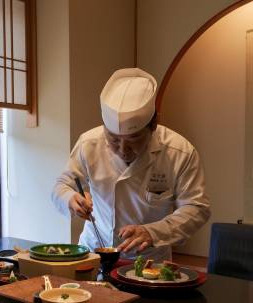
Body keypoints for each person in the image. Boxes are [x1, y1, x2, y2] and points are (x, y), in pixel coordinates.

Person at [51, 68, 210, 261]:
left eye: (134, 138)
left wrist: (154, 232)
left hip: (149, 260)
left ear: (153, 126)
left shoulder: (179, 152)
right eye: (114, 139)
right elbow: (61, 185)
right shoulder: (89, 144)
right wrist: (70, 198)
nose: (123, 149)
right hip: (93, 253)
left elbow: (196, 207)